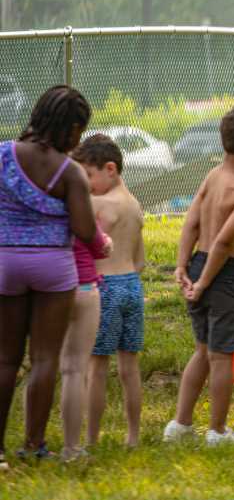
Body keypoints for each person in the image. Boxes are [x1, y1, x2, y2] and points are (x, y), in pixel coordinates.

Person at [163, 104, 234, 445]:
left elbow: (192, 223)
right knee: (222, 356)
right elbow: (224, 242)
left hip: (198, 264)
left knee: (202, 350)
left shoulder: (213, 176)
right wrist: (204, 283)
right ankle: (216, 431)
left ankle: (180, 426)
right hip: (223, 276)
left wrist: (183, 267)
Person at [0, 85, 97, 466]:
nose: (78, 139)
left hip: (5, 262)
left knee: (5, 359)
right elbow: (85, 228)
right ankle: (34, 446)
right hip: (53, 267)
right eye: (79, 130)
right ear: (69, 127)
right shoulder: (69, 171)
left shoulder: (3, 155)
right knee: (44, 359)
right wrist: (100, 241)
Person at [78, 135, 147, 450]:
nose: (87, 184)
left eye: (89, 176)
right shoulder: (134, 204)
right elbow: (141, 260)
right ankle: (133, 436)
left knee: (97, 367)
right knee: (129, 367)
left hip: (105, 288)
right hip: (132, 286)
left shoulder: (98, 204)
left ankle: (91, 439)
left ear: (110, 169)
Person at [58, 171, 111, 461]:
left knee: (42, 366)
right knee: (74, 370)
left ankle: (33, 442)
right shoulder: (81, 205)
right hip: (84, 287)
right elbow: (99, 245)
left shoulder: (43, 206)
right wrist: (107, 242)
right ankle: (71, 447)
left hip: (51, 288)